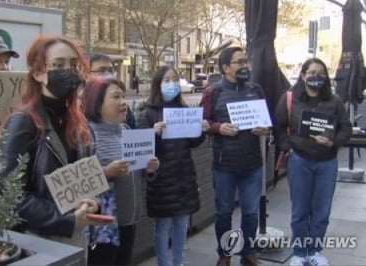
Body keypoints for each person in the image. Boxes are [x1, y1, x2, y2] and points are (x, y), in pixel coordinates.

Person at [0, 35, 103, 249]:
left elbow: (89, 176)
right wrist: (65, 220)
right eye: (58, 65)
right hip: (40, 246)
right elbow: (9, 196)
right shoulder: (23, 123)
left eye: (74, 65)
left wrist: (93, 204)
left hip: (75, 243)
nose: (68, 71)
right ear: (38, 72)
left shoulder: (79, 122)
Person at [275, 58, 351, 266]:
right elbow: (279, 127)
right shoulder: (289, 99)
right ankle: (299, 252)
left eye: (320, 73)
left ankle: (315, 251)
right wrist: (288, 147)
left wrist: (333, 142)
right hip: (300, 160)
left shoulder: (334, 102)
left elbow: (346, 128)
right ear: (303, 75)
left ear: (326, 77)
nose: (315, 76)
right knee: (300, 210)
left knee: (322, 210)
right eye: (311, 72)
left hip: (327, 162)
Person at [200, 47, 268, 266]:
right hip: (224, 165)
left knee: (250, 212)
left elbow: (267, 121)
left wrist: (263, 128)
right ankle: (225, 253)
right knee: (223, 213)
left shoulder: (256, 89)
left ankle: (248, 252)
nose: (245, 65)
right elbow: (202, 123)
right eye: (239, 62)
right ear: (226, 68)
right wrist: (219, 128)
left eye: (245, 61)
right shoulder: (213, 92)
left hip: (252, 164)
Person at [82, 77, 160, 265]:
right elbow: (79, 180)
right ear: (96, 102)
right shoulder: (85, 135)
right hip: (103, 227)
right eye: (116, 97)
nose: (123, 102)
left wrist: (149, 169)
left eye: (123, 96)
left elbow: (135, 170)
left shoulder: (126, 129)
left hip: (129, 219)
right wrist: (106, 173)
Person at [136, 66, 209, 266]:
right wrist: (153, 133)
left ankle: (179, 262)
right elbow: (142, 148)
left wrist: (201, 130)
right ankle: (163, 263)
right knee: (162, 225)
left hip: (183, 176)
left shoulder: (184, 110)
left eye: (175, 79)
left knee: (181, 223)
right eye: (167, 80)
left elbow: (192, 143)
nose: (172, 84)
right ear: (158, 84)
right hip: (161, 179)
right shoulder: (147, 112)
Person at [89, 53, 136, 129]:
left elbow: (133, 132)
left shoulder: (123, 109)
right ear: (87, 74)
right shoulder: (77, 106)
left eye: (110, 70)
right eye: (102, 70)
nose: (107, 74)